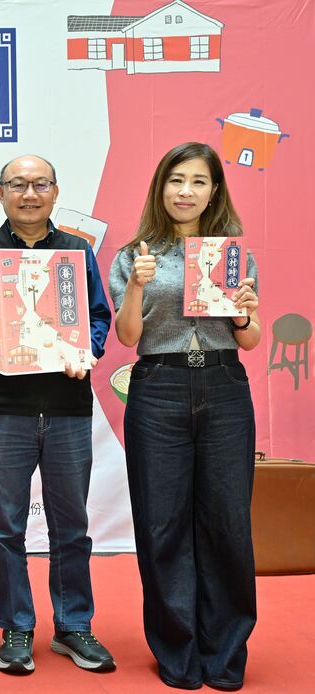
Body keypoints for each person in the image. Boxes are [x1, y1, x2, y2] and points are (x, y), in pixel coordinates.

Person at [0, 155, 115, 675]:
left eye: (40, 184)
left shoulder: (76, 251)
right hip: (4, 409)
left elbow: (97, 315)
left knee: (72, 526)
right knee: (5, 528)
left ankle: (73, 625)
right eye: (18, 185)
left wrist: (86, 351)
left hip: (67, 407)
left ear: (55, 191)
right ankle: (16, 627)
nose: (29, 194)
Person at [109, 142, 260, 691]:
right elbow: (128, 337)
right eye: (176, 180)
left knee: (227, 524)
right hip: (159, 388)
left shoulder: (233, 255)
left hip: (224, 387)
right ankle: (178, 650)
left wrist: (244, 314)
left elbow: (250, 339)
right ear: (161, 187)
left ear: (214, 191)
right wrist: (137, 285)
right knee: (162, 525)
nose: (186, 191)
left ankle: (225, 652)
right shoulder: (134, 255)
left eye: (198, 181)